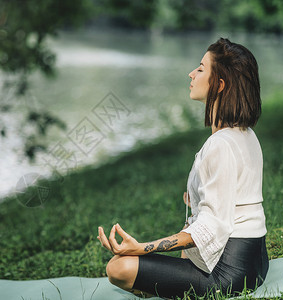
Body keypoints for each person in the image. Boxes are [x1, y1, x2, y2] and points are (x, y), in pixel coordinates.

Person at [97, 38, 269, 299]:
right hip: (256, 264)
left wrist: (142, 248)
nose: (191, 73)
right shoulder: (245, 135)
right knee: (174, 254)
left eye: (201, 69)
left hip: (230, 275)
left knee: (118, 267)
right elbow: (233, 199)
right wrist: (197, 196)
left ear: (219, 85)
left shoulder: (219, 145)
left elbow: (211, 227)